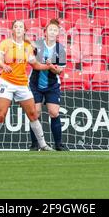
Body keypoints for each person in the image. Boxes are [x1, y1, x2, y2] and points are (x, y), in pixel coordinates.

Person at [0, 20, 61, 151]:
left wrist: (48, 66)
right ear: (12, 30)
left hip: (22, 84)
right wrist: (3, 65)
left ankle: (43, 144)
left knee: (33, 114)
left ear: (25, 30)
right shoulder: (5, 44)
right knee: (1, 114)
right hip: (7, 82)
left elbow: (35, 64)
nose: (18, 28)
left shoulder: (28, 47)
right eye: (16, 26)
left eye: (21, 26)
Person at [28, 19, 68, 151]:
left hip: (52, 85)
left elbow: (59, 71)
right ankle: (35, 145)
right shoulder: (37, 45)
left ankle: (58, 144)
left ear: (58, 34)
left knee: (54, 112)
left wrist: (50, 66)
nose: (52, 32)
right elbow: (30, 59)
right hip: (35, 84)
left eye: (55, 30)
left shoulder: (60, 49)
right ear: (45, 32)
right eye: (50, 29)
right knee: (35, 113)